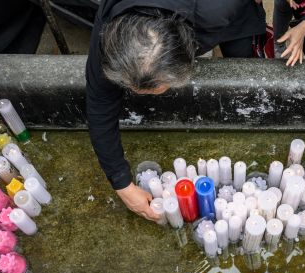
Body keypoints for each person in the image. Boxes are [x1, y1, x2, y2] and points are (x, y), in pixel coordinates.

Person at [86, 0, 265, 221]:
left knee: (241, 52)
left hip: (228, 16)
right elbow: (99, 102)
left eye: (159, 87)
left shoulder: (219, 7)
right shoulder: (110, 36)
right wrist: (121, 183)